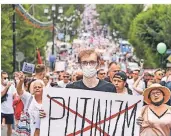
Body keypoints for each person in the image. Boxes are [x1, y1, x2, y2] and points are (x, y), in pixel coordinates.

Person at [17, 72, 46, 136]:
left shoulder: (47, 101)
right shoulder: (28, 97)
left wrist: (45, 115)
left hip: (42, 131)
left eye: (39, 87)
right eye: (35, 87)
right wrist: (21, 81)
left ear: (43, 89)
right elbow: (19, 91)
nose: (37, 88)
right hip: (27, 130)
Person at [1, 72, 17, 136]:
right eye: (4, 78)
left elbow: (15, 95)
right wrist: (7, 87)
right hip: (1, 109)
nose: (6, 79)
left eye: (7, 78)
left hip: (10, 110)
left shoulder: (12, 86)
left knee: (9, 127)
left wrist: (15, 99)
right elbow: (1, 95)